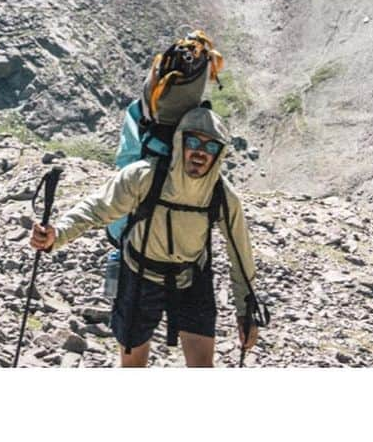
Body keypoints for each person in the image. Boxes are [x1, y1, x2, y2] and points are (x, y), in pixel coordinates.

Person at [29, 105, 261, 367]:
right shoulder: (144, 176)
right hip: (139, 274)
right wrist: (56, 235)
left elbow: (240, 256)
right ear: (179, 141)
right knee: (133, 365)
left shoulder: (223, 195)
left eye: (210, 147)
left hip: (192, 276)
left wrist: (246, 312)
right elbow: (96, 208)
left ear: (219, 154)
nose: (199, 152)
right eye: (193, 141)